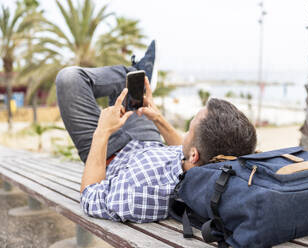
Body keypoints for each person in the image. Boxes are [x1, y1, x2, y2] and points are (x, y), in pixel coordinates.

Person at [55, 40, 257, 223]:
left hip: (111, 153)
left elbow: (91, 198)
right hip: (148, 141)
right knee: (131, 90)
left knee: (70, 79)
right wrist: (157, 117)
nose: (185, 132)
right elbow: (182, 149)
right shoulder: (209, 161)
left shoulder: (140, 191)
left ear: (195, 154)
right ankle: (135, 74)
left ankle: (134, 71)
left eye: (189, 129)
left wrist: (102, 132)